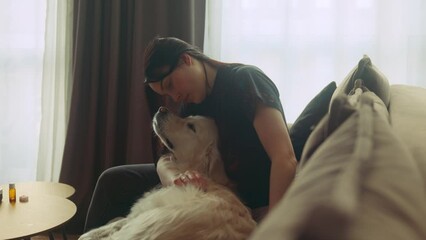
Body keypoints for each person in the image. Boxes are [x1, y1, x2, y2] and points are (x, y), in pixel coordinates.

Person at [84, 36, 297, 232]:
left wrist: (273, 226)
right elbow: (165, 156)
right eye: (166, 93)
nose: (174, 96)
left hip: (249, 200)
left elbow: (284, 157)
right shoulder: (192, 103)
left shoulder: (246, 81)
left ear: (186, 60)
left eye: (170, 85)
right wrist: (175, 177)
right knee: (112, 181)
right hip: (204, 187)